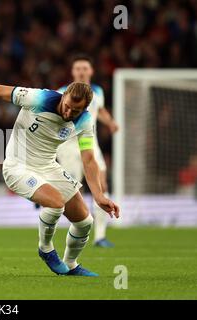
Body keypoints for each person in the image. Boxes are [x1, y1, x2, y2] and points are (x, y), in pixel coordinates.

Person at [0, 82, 119, 276]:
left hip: (49, 167)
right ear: (63, 95)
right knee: (56, 203)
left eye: (75, 111)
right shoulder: (39, 98)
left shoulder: (84, 121)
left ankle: (71, 265)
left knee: (85, 221)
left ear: (84, 109)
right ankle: (46, 249)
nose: (68, 113)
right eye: (67, 106)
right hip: (18, 167)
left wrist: (99, 196)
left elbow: (89, 159)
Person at [56, 55, 119, 248]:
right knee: (74, 191)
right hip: (68, 146)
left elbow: (99, 110)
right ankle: (78, 230)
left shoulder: (97, 91)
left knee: (101, 185)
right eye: (78, 68)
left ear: (91, 71)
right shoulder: (62, 92)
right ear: (73, 72)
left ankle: (100, 236)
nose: (82, 71)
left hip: (90, 144)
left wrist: (110, 122)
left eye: (85, 68)